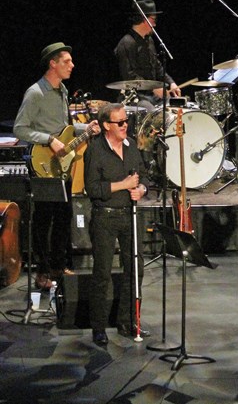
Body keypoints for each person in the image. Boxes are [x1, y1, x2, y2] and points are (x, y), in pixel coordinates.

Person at [13, 42, 101, 290]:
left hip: (62, 164)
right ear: (53, 63)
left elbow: (66, 131)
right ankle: (41, 271)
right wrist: (48, 140)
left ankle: (58, 267)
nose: (72, 65)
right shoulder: (35, 93)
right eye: (67, 61)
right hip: (43, 163)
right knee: (44, 219)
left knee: (64, 216)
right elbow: (20, 129)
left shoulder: (62, 90)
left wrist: (88, 129)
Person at [84, 103, 148, 345]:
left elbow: (145, 176)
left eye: (126, 121)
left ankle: (128, 321)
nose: (125, 126)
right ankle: (98, 327)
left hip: (130, 215)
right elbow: (93, 189)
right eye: (120, 122)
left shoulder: (131, 147)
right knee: (102, 273)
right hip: (105, 217)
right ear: (106, 126)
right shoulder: (95, 151)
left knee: (135, 269)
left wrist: (141, 189)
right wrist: (124, 184)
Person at [114, 0, 180, 111]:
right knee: (151, 112)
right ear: (145, 20)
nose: (155, 24)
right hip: (135, 97)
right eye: (153, 20)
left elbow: (157, 66)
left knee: (177, 105)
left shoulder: (149, 40)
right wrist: (153, 88)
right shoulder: (126, 43)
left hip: (151, 95)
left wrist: (171, 83)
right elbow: (130, 77)